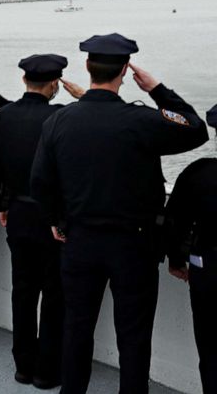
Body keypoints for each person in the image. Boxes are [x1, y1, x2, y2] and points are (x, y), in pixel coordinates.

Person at [31, 33, 209, 394]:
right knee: (133, 335)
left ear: (86, 67)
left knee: (76, 329)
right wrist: (157, 89)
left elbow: (40, 183)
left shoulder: (59, 121)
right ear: (126, 70)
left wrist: (56, 220)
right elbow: (196, 129)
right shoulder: (140, 120)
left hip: (79, 241)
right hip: (134, 246)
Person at [0, 54, 85, 389]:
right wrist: (84, 97)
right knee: (54, 293)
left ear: (25, 81)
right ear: (55, 83)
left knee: (23, 291)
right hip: (53, 218)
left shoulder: (3, 118)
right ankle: (46, 369)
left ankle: (23, 365)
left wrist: (1, 203)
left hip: (17, 213)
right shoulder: (62, 117)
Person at [164, 104, 217, 394]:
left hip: (208, 267)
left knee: (210, 347)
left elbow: (175, 222)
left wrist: (176, 259)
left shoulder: (199, 173)